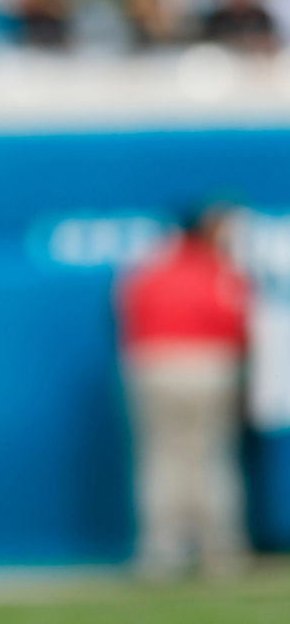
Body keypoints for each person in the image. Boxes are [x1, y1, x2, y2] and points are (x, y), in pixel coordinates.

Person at [116, 205, 251, 578]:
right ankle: (220, 549)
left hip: (155, 365)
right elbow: (237, 322)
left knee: (164, 458)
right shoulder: (219, 270)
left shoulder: (149, 268)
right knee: (209, 456)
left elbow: (125, 314)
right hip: (208, 365)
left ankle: (163, 550)